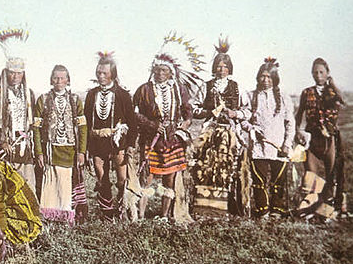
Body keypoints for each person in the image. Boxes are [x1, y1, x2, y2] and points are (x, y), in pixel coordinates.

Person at [134, 38, 197, 222]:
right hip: (151, 138)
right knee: (147, 176)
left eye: (164, 70)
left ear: (171, 73)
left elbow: (187, 110)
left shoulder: (178, 89)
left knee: (169, 178)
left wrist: (185, 124)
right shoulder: (144, 90)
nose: (160, 73)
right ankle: (141, 214)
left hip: (172, 139)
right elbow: (135, 113)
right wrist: (152, 125)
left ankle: (164, 215)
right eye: (157, 70)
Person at [190, 37, 250, 216]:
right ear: (214, 67)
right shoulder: (206, 86)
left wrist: (235, 114)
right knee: (206, 167)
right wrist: (209, 113)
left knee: (228, 168)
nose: (222, 70)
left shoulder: (237, 87)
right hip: (210, 132)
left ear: (229, 68)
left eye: (225, 66)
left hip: (230, 132)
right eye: (218, 66)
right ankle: (205, 207)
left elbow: (247, 111)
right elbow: (194, 108)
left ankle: (228, 207)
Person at [295, 58, 352, 219]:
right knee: (310, 175)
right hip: (312, 138)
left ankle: (335, 208)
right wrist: (297, 132)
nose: (318, 75)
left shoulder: (333, 92)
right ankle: (312, 209)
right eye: (315, 72)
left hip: (330, 138)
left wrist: (332, 85)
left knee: (332, 175)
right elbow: (299, 115)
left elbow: (343, 101)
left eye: (321, 72)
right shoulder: (307, 92)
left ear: (327, 73)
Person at [84, 52, 136, 221]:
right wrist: (85, 147)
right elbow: (85, 120)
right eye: (98, 72)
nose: (101, 76)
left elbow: (132, 121)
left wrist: (130, 145)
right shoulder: (92, 95)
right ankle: (107, 214)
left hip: (117, 141)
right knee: (101, 178)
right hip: (97, 141)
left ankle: (122, 210)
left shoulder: (122, 94)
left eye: (104, 73)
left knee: (122, 179)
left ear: (112, 74)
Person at [240, 57, 295, 218]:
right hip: (259, 146)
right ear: (258, 77)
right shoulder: (251, 96)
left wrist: (287, 143)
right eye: (262, 76)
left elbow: (290, 122)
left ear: (275, 79)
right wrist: (252, 129)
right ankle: (262, 211)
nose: (265, 80)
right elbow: (243, 119)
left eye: (269, 77)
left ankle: (277, 211)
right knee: (259, 180)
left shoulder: (283, 97)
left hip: (279, 146)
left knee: (278, 181)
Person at [33, 65, 88, 223]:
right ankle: (50, 216)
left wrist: (82, 152)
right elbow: (36, 129)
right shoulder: (43, 100)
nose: (59, 81)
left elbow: (82, 127)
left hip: (70, 150)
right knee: (50, 183)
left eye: (62, 78)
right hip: (50, 150)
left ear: (68, 80)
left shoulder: (75, 100)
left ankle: (66, 216)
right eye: (56, 78)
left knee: (66, 184)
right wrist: (39, 153)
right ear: (51, 79)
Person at [0, 27, 37, 190]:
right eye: (12, 73)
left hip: (25, 145)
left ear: (23, 74)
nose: (15, 77)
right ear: (6, 73)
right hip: (4, 144)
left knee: (27, 184)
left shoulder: (29, 94)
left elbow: (33, 121)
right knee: (6, 183)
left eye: (19, 73)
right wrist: (2, 140)